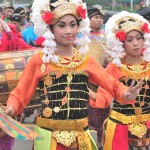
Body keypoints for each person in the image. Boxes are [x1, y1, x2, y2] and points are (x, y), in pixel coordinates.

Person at [4, 1, 143, 150]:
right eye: (62, 25)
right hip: (49, 136)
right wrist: (11, 107)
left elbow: (111, 83)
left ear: (79, 26)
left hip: (80, 137)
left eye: (73, 24)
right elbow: (22, 91)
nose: (69, 30)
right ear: (50, 28)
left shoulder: (85, 60)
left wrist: (126, 93)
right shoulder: (40, 60)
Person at [90, 11, 150, 150]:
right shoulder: (115, 67)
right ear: (121, 43)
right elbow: (104, 97)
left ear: (144, 39)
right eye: (129, 40)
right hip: (120, 126)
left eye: (138, 38)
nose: (135, 43)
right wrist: (89, 93)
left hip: (147, 125)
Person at [87, 5, 109, 150]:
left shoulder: (106, 36)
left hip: (103, 82)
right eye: (96, 17)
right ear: (88, 20)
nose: (99, 20)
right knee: (87, 119)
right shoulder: (82, 36)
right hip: (87, 83)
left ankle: (101, 144)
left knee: (103, 118)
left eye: (101, 18)